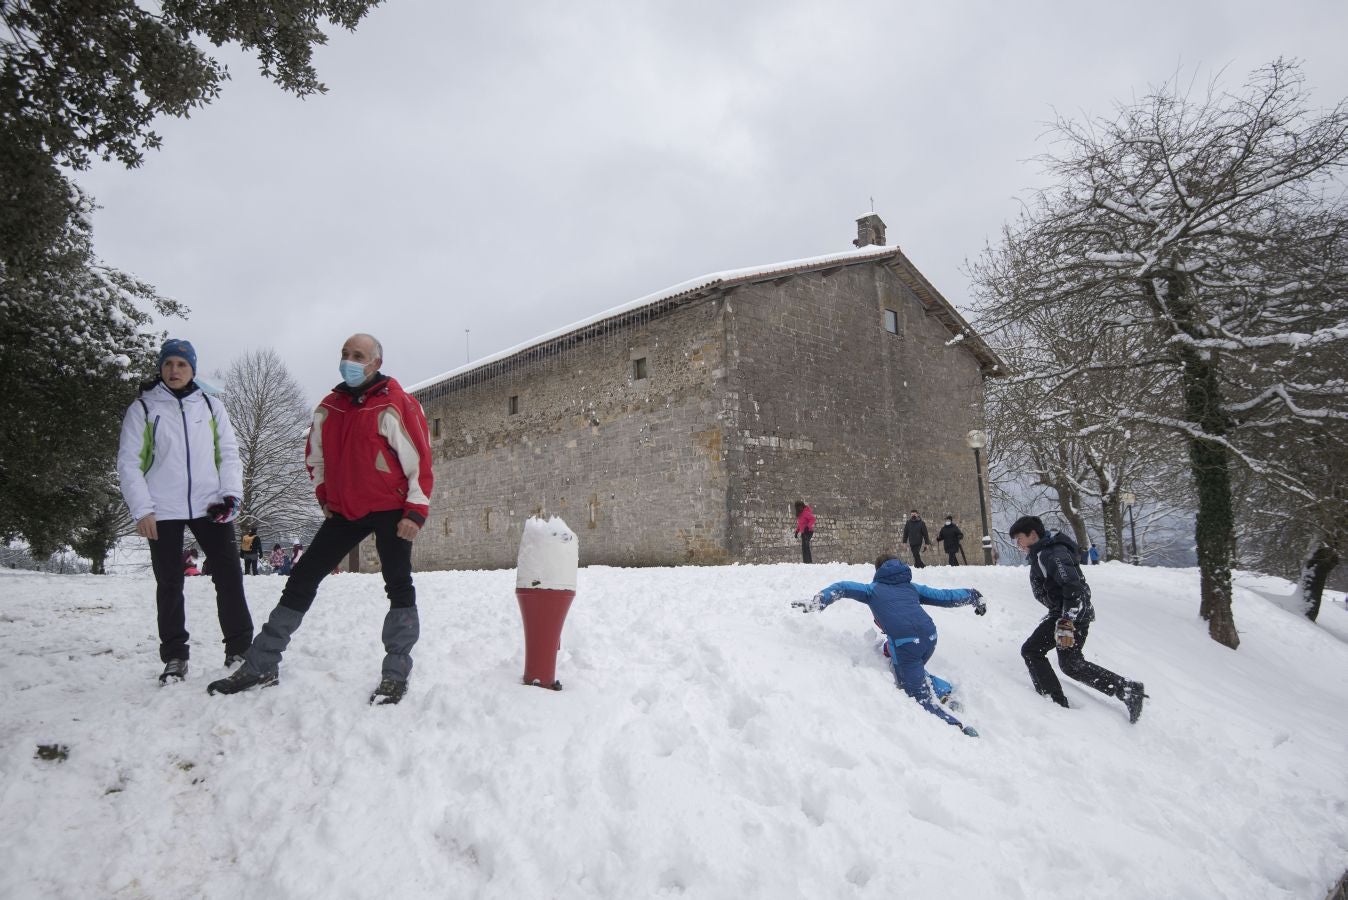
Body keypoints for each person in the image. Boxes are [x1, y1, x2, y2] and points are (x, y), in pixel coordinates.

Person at [208, 333, 433, 705]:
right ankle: (262, 662)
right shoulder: (329, 407)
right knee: (302, 577)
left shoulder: (394, 403)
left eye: (358, 355)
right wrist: (325, 496)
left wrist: (415, 511)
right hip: (345, 511)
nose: (349, 360)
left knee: (398, 584)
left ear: (375, 362)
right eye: (345, 353)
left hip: (391, 510)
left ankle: (396, 671)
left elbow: (419, 461)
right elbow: (315, 458)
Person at [116, 339, 254, 683]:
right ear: (160, 368)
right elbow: (129, 463)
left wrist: (230, 496)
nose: (174, 370)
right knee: (169, 582)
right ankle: (175, 656)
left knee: (229, 575)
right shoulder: (144, 408)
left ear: (193, 369)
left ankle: (239, 649)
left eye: (181, 364)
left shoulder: (210, 406)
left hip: (210, 505)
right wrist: (142, 510)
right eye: (168, 364)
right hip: (161, 508)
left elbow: (229, 455)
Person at [794, 555, 986, 736]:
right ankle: (943, 691)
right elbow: (945, 596)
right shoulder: (912, 588)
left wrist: (818, 601)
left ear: (878, 571)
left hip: (907, 643)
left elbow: (843, 587)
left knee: (917, 694)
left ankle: (956, 727)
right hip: (930, 637)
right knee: (900, 657)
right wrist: (973, 596)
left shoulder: (872, 590)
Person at [1008, 515, 1146, 723]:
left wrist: (1066, 621)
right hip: (1069, 614)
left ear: (1033, 535)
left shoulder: (1052, 553)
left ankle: (1053, 701)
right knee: (1071, 663)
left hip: (1069, 615)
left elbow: (1073, 587)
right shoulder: (1042, 553)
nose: (1017, 544)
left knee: (1032, 650)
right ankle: (1127, 690)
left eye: (1019, 538)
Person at [793, 500, 815, 564]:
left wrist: (808, 526)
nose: (799, 508)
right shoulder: (800, 514)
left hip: (809, 531)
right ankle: (806, 562)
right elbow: (800, 524)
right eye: (798, 507)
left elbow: (813, 519)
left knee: (806, 545)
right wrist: (797, 531)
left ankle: (809, 562)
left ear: (802, 506)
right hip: (803, 532)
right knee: (804, 547)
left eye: (800, 506)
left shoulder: (805, 512)